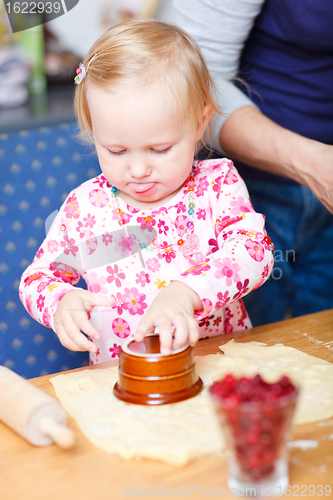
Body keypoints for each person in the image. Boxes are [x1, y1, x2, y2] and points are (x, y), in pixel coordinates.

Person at [19, 19, 273, 364]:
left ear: (200, 124)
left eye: (159, 149)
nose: (138, 170)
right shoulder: (86, 208)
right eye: (117, 151)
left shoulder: (217, 185)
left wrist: (188, 293)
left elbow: (254, 252)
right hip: (124, 380)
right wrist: (60, 301)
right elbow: (39, 277)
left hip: (218, 367)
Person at [174, 0, 333, 326]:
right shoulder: (225, 195)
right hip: (255, 183)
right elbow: (196, 79)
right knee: (251, 348)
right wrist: (313, 162)